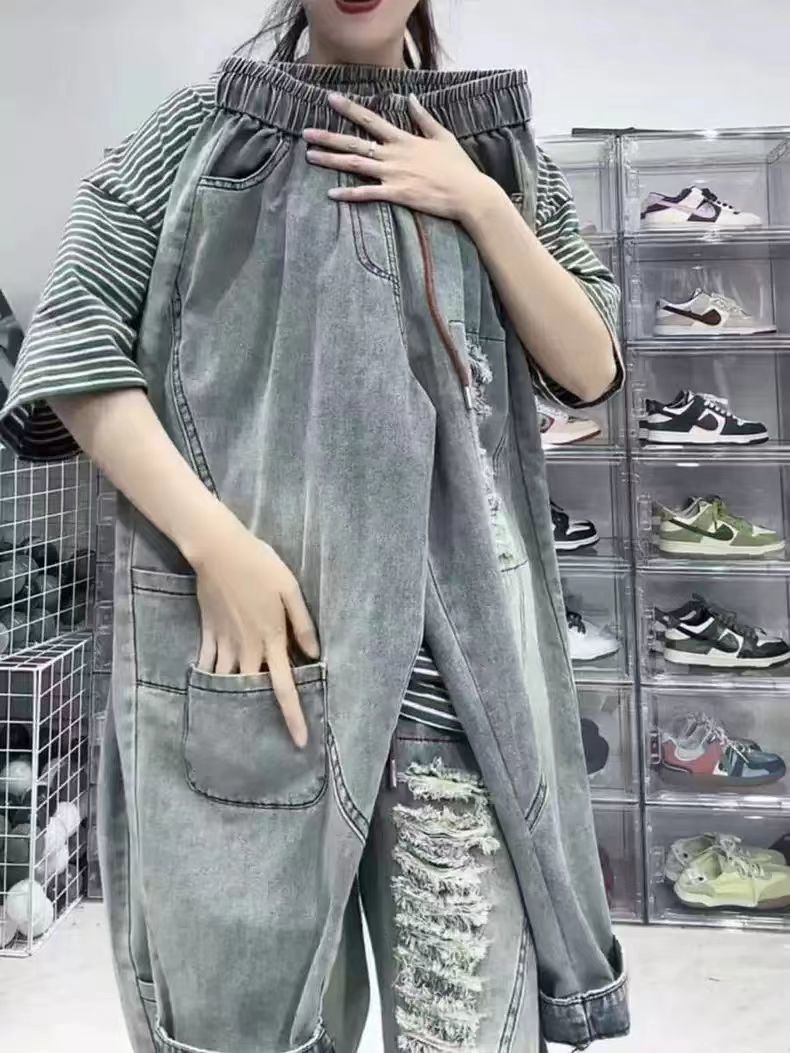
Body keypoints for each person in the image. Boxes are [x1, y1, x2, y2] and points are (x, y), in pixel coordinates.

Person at [0, 2, 629, 1050]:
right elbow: (69, 344)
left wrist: (479, 200)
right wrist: (215, 546)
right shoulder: (198, 138)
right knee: (249, 1016)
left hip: (454, 676)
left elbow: (592, 364)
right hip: (266, 646)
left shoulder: (493, 151)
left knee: (468, 1025)